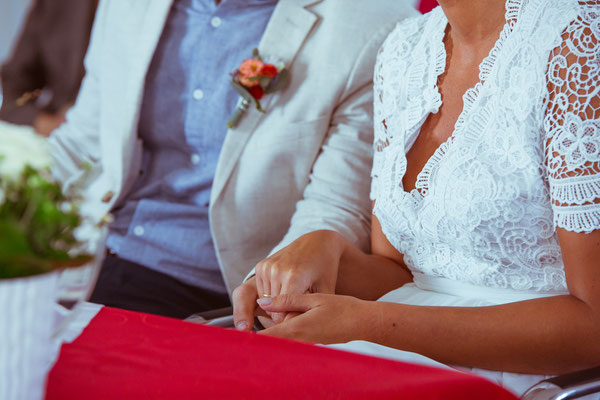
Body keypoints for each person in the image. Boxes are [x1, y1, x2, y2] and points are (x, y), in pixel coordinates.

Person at [233, 0, 600, 395]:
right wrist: (325, 251)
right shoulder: (403, 47)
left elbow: (594, 325)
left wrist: (366, 324)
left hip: (534, 382)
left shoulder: (579, 42)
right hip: (403, 357)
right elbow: (405, 276)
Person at [48, 0, 418, 319]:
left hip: (223, 290)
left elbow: (334, 208)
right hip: (87, 256)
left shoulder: (372, 23)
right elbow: (84, 143)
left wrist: (275, 291)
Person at [0, 0, 98, 136]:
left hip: (124, 139)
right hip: (63, 132)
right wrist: (37, 119)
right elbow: (16, 82)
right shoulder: (53, 4)